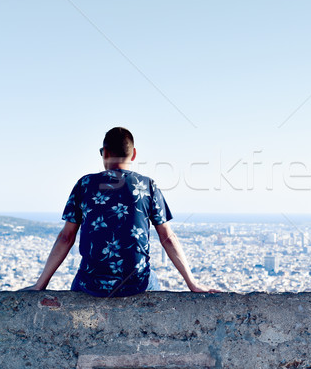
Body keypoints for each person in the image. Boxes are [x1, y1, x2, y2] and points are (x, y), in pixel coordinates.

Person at [22, 127, 218, 296]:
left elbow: (66, 237)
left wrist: (40, 284)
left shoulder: (85, 184)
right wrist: (192, 283)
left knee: (80, 280)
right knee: (152, 279)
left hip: (91, 285)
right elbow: (167, 237)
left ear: (105, 152)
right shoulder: (147, 185)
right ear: (133, 155)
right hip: (136, 285)